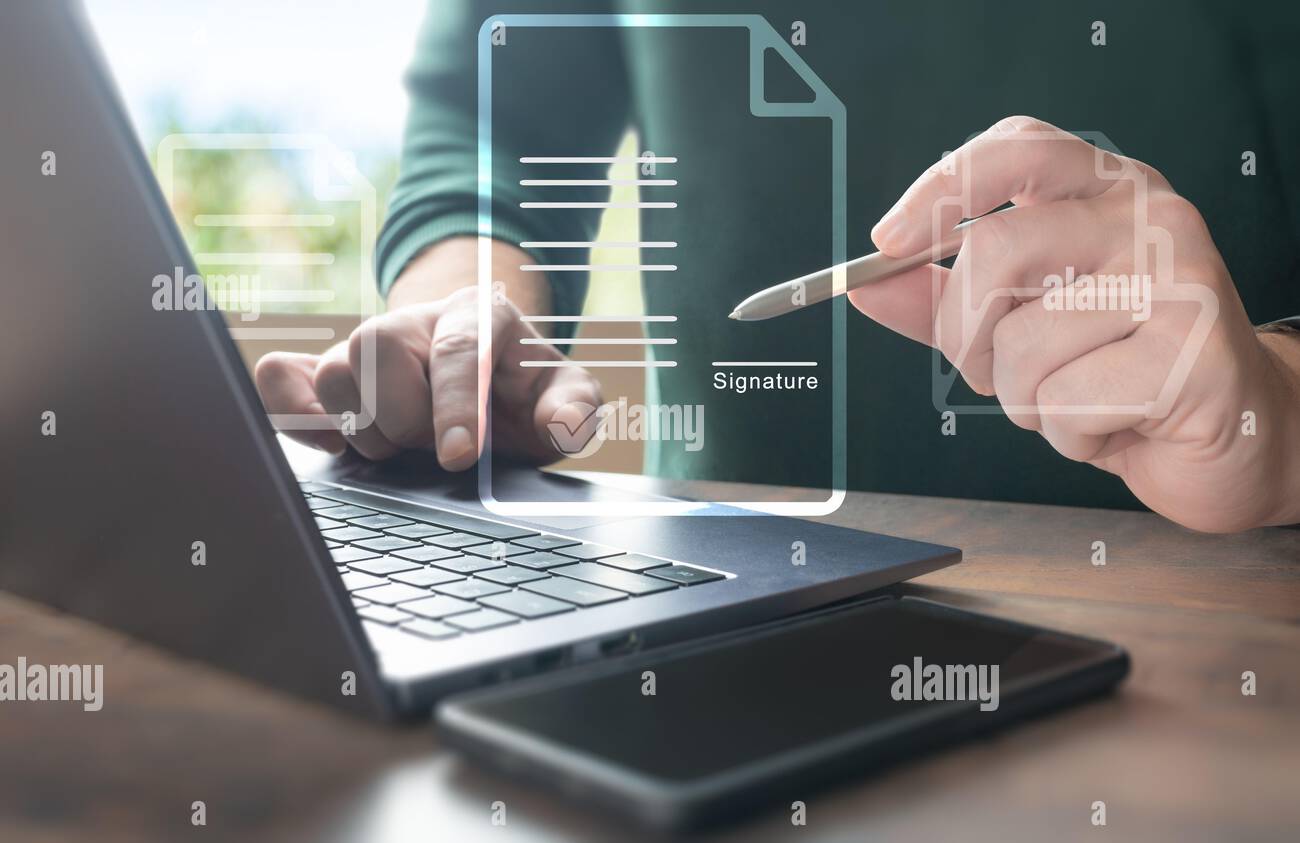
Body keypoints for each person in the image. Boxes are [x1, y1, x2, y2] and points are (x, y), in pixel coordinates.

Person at [254, 1, 1300, 533]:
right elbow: (492, 107)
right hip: (728, 612)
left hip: (1232, 639)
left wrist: (1279, 423)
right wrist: (459, 322)